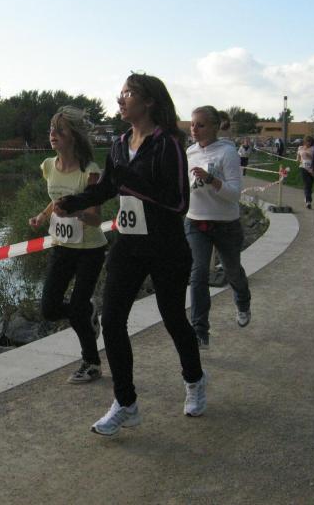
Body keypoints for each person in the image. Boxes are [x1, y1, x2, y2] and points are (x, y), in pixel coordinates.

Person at [55, 73, 207, 436]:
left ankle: (195, 380)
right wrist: (73, 202)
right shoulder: (121, 144)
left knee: (173, 318)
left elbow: (178, 202)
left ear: (149, 101)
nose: (120, 99)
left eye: (128, 93)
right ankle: (126, 404)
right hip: (129, 245)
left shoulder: (168, 144)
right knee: (111, 321)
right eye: (121, 93)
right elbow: (109, 187)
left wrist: (132, 181)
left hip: (166, 248)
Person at [28, 106, 107, 384]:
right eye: (51, 129)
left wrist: (76, 211)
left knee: (75, 306)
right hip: (62, 246)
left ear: (74, 136)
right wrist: (42, 215)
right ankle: (88, 312)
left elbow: (96, 219)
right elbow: (57, 199)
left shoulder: (90, 172)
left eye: (60, 130)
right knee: (49, 309)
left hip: (90, 250)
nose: (53, 134)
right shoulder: (48, 166)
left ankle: (92, 363)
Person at [185, 108, 251, 351]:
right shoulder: (190, 152)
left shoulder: (227, 152)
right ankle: (200, 330)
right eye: (192, 124)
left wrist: (211, 179)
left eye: (200, 125)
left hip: (225, 223)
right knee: (198, 273)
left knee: (232, 270)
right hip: (196, 221)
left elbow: (234, 194)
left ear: (215, 126)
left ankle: (242, 301)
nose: (194, 129)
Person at [296, 136, 314, 209]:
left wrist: (309, 156)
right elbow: (298, 157)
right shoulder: (300, 148)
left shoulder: (313, 148)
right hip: (303, 167)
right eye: (307, 141)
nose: (308, 143)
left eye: (310, 141)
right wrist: (298, 160)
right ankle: (308, 201)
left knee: (310, 185)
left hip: (311, 168)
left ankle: (307, 196)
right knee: (307, 184)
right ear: (304, 141)